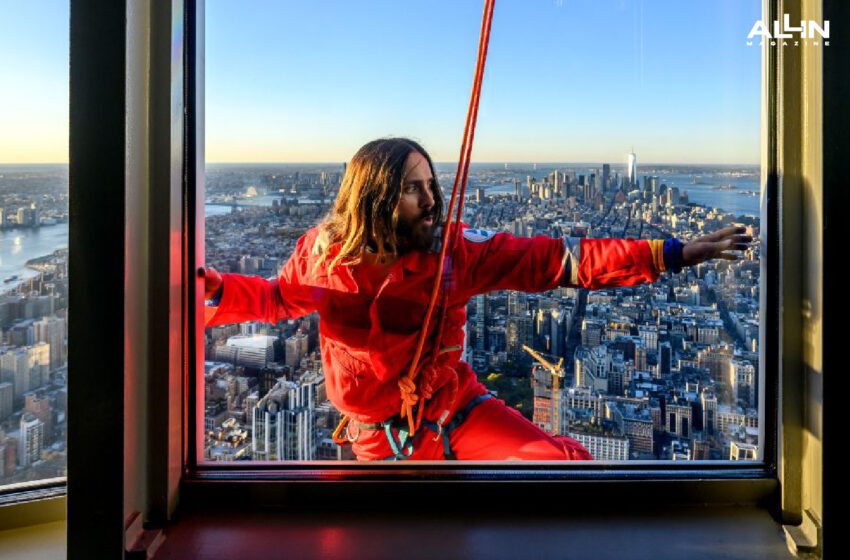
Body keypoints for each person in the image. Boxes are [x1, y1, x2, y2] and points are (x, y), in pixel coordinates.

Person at [203, 137, 752, 461]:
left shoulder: (452, 253)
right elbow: (276, 299)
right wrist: (206, 294)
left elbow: (557, 261)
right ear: (373, 197)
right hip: (374, 440)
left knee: (566, 467)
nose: (432, 199)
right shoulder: (324, 255)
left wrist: (672, 252)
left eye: (430, 184)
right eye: (413, 188)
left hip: (453, 411)